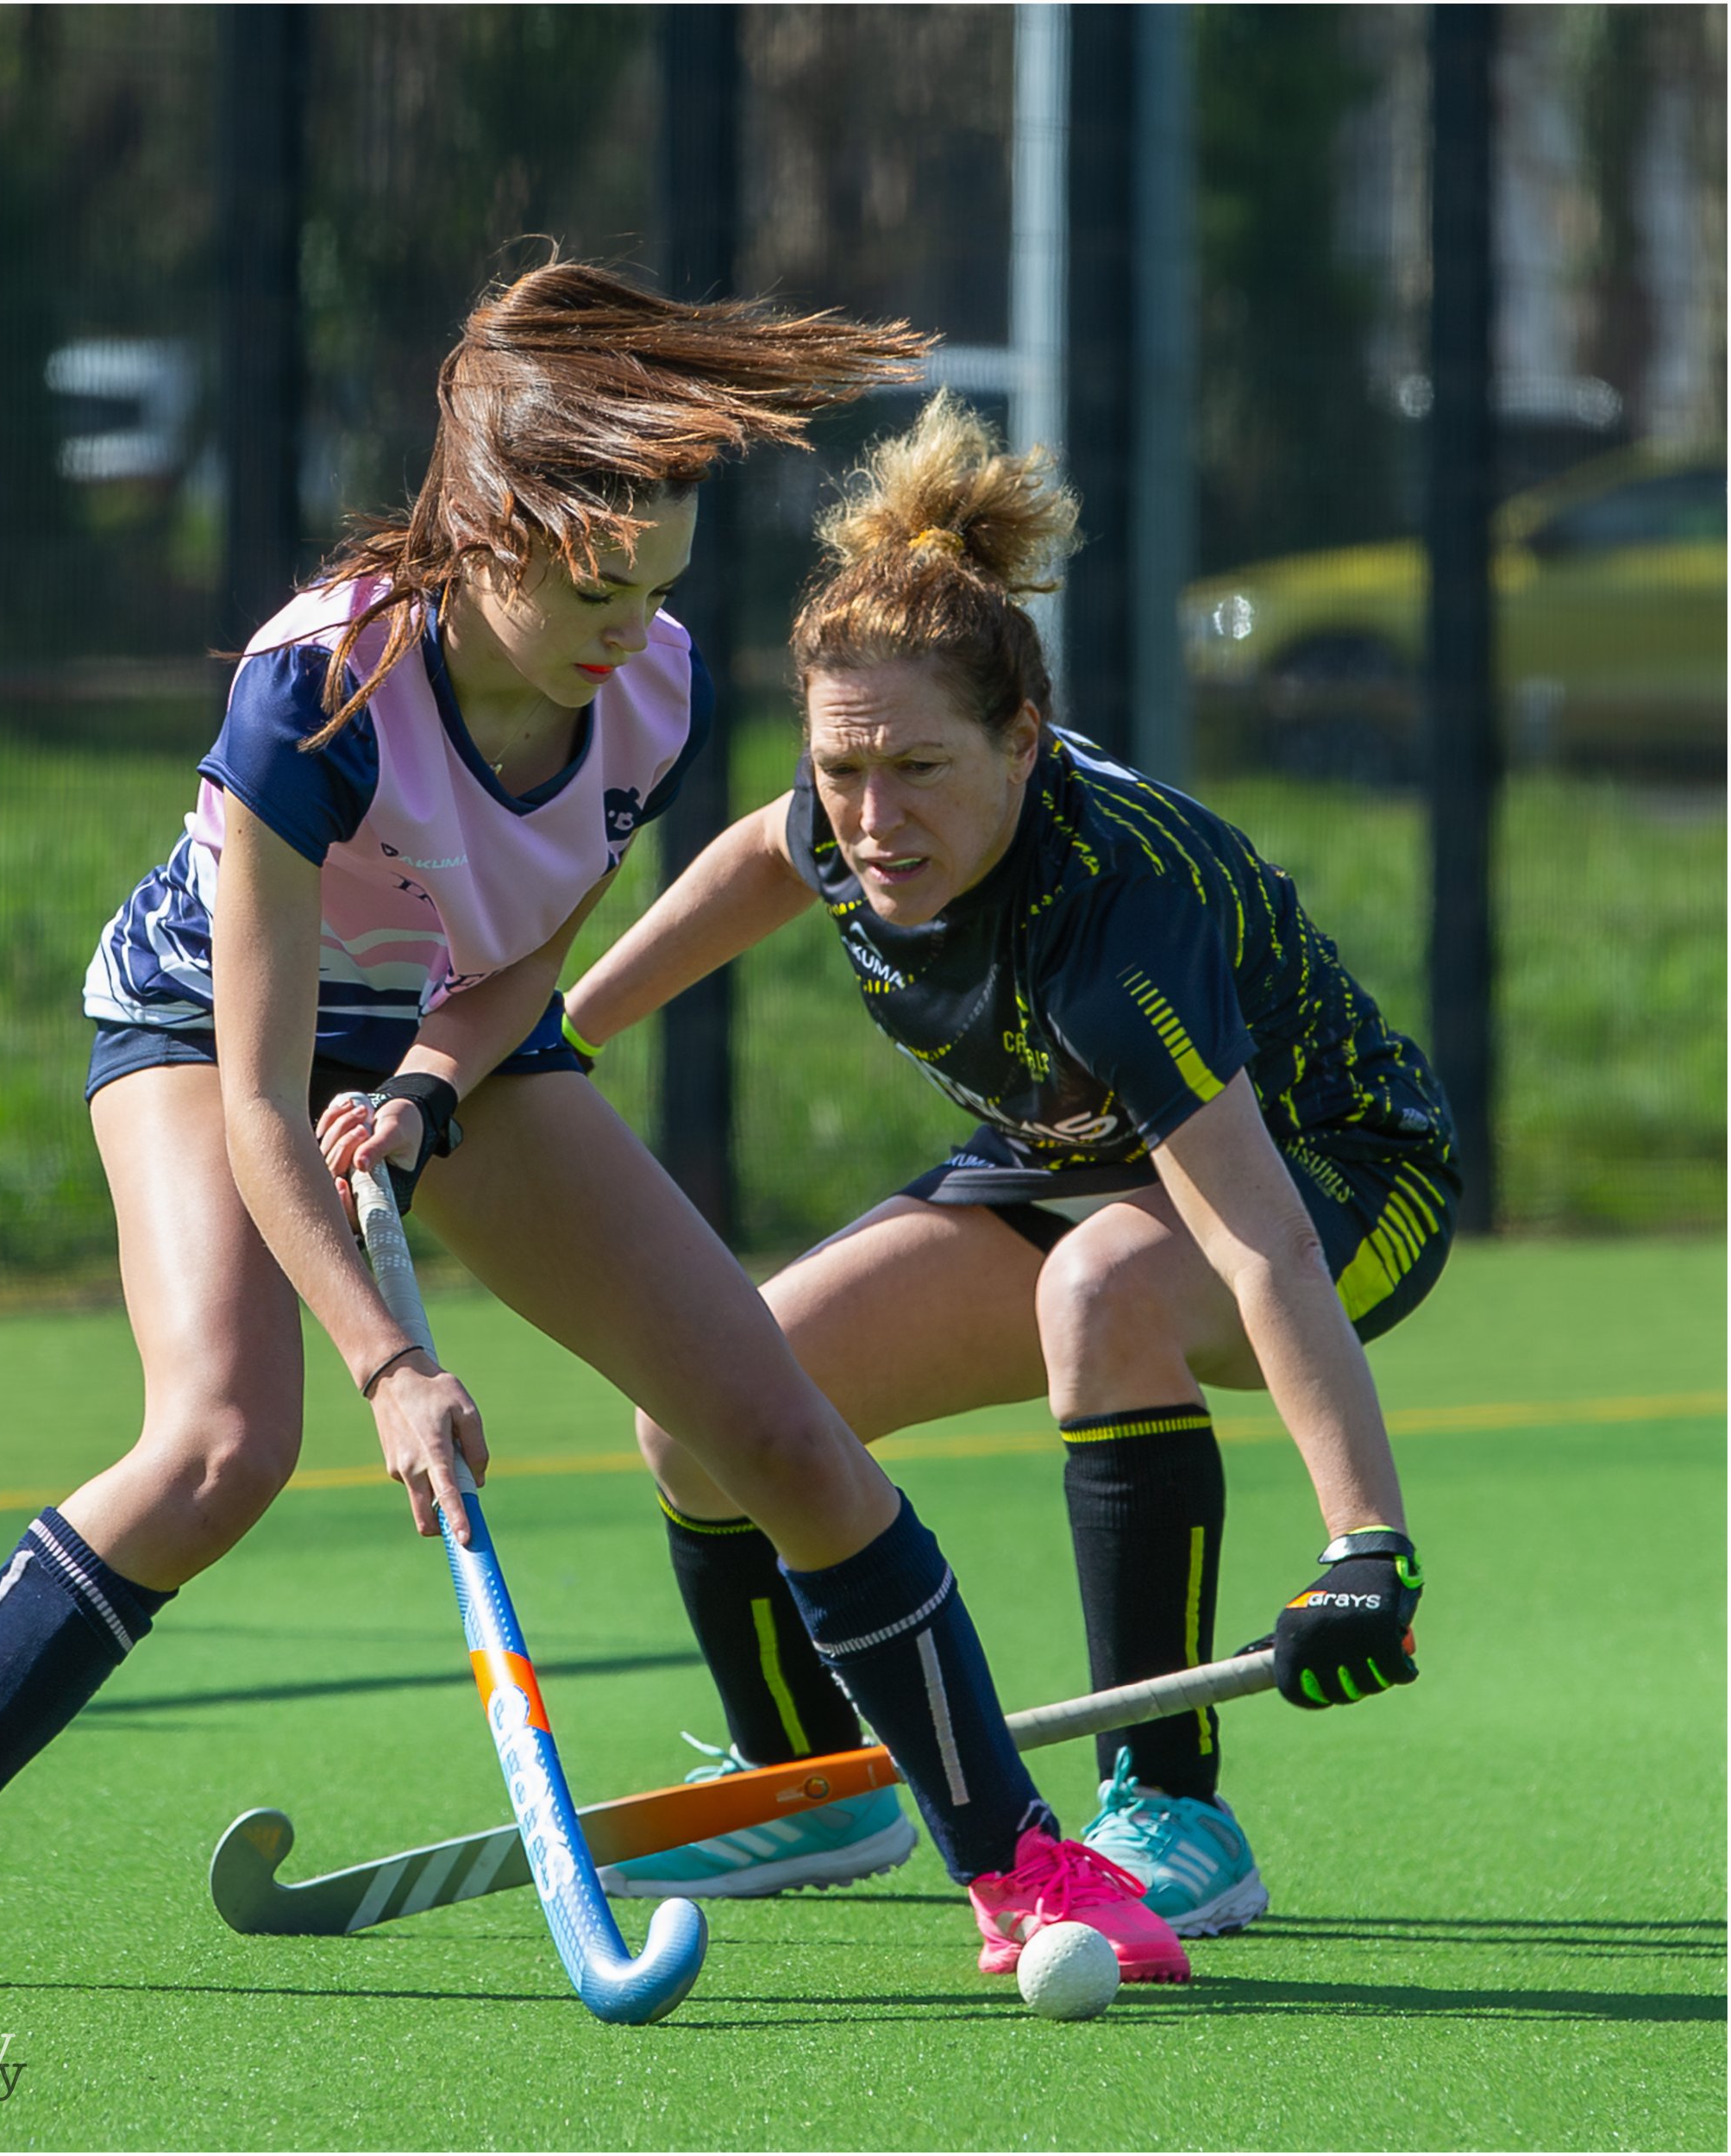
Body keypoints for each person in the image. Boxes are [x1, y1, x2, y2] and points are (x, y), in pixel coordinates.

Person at [0, 273, 1192, 1995]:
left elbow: (518, 964)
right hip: (207, 1027)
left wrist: (432, 1084)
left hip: (446, 1037)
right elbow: (258, 1091)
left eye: (654, 582)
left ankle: (1016, 1864)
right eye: (591, 583)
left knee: (770, 1426)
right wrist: (388, 1365)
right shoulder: (320, 689)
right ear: (486, 529)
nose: (625, 623)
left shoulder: (648, 693)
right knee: (220, 1440)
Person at [563, 393, 1450, 1939]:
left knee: (1109, 1285)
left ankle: (1171, 1804)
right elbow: (768, 856)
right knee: (703, 1406)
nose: (873, 820)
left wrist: (1365, 1542)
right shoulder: (848, 807)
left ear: (1023, 740)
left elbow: (1260, 1244)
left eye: (916, 769)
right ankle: (814, 1785)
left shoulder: (1117, 907)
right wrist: (549, 1039)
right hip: (1073, 1153)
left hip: (1339, 1176)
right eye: (844, 769)